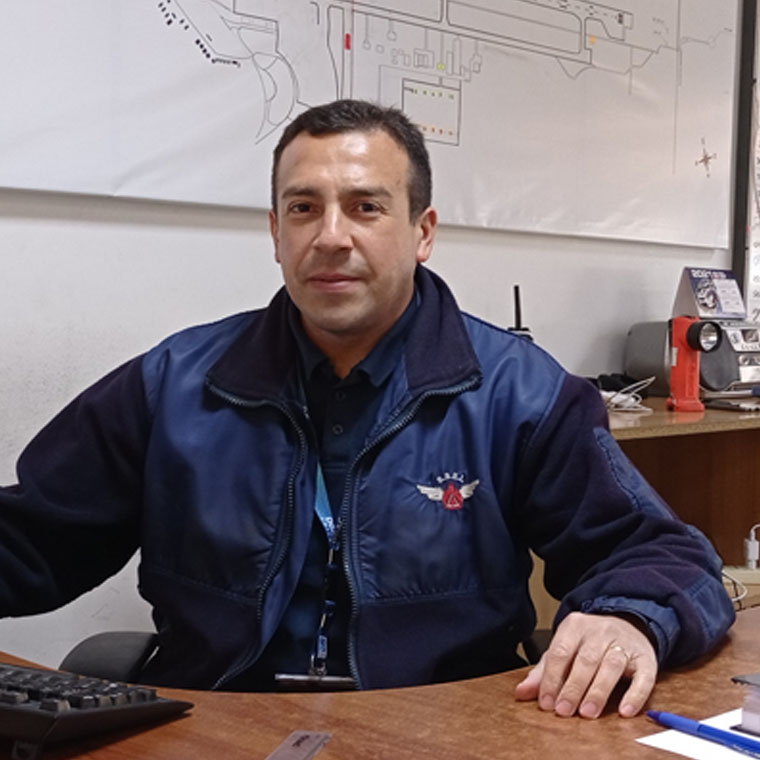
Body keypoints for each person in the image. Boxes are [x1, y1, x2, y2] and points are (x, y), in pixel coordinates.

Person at [0, 99, 734, 719]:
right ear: (276, 233)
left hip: (440, 730)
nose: (331, 237)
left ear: (422, 232)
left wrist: (628, 618)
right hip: (218, 723)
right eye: (304, 208)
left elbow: (660, 554)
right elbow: (34, 539)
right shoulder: (174, 385)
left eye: (365, 207)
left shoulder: (521, 394)